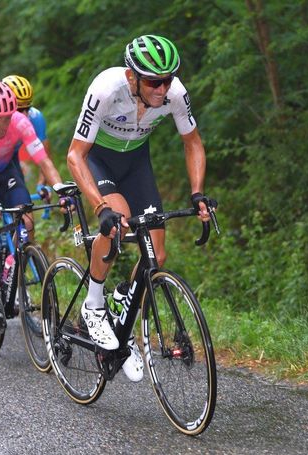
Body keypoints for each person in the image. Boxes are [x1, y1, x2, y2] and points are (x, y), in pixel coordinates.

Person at [65, 35, 213, 382]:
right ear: (133, 77)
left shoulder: (175, 94)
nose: (163, 89)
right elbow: (75, 155)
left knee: (156, 257)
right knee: (118, 225)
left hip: (136, 164)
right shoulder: (106, 88)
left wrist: (197, 192)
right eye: (154, 81)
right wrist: (100, 207)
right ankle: (94, 304)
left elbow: (193, 144)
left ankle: (123, 307)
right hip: (99, 161)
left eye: (168, 80)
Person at [0, 80, 66, 327]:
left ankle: (12, 270)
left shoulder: (20, 122)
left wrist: (61, 190)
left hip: (5, 172)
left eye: (8, 116)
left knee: (27, 221)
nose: (5, 124)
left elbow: (44, 161)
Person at [2, 75, 52, 188]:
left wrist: (41, 183)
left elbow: (45, 157)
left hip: (12, 159)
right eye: (19, 110)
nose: (25, 115)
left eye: (27, 108)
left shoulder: (35, 117)